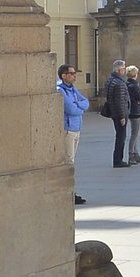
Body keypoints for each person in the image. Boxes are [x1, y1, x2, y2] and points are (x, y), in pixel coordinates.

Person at [57, 63, 89, 205]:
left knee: (72, 161)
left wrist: (79, 106)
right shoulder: (60, 90)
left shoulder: (72, 89)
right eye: (72, 73)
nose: (75, 76)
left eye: (75, 73)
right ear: (64, 75)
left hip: (76, 128)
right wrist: (79, 107)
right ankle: (69, 192)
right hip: (68, 129)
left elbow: (86, 102)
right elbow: (71, 109)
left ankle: (70, 190)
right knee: (68, 161)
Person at [104, 59, 131, 168]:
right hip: (119, 113)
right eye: (124, 68)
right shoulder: (119, 83)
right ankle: (118, 160)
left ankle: (117, 159)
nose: (125, 70)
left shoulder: (110, 80)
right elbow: (120, 101)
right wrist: (122, 116)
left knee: (119, 136)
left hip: (113, 112)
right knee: (121, 137)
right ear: (119, 70)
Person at [124, 65, 140, 164]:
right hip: (136, 111)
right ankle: (131, 155)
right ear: (135, 75)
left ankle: (136, 153)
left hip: (129, 111)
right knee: (135, 134)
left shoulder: (126, 84)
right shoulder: (134, 86)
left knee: (134, 133)